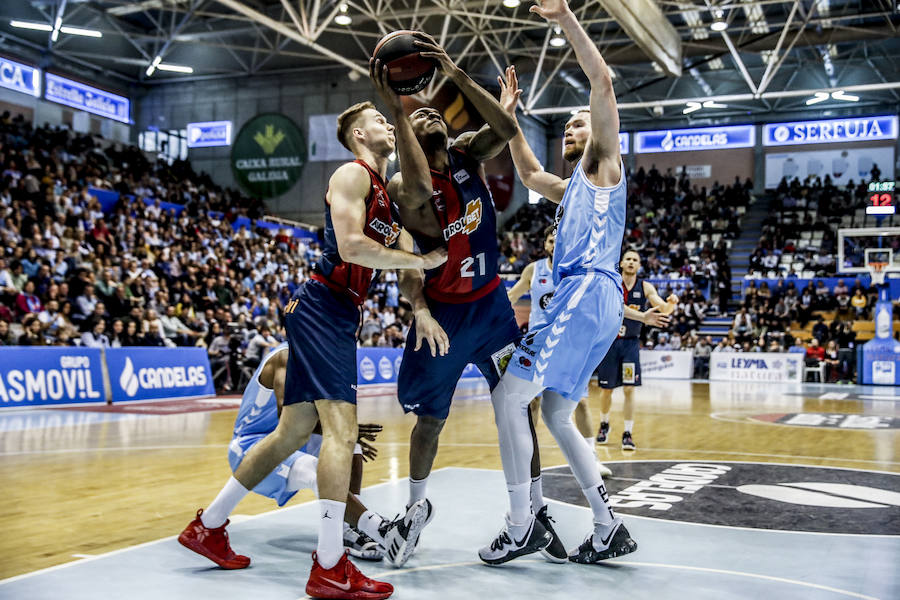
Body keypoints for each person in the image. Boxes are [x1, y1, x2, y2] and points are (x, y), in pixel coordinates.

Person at [178, 63, 447, 600]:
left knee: (291, 433)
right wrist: (419, 257)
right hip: (325, 306)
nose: (388, 125)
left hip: (333, 312)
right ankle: (329, 565)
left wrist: (418, 294)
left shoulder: (384, 193)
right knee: (341, 437)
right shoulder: (351, 175)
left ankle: (208, 526)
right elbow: (350, 247)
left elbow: (400, 242)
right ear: (358, 135)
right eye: (379, 120)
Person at [487, 0, 636, 565]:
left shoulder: (603, 164)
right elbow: (528, 172)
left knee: (509, 397)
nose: (572, 128)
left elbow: (602, 82)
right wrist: (509, 119)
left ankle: (520, 523)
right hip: (595, 300)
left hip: (585, 290)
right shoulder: (569, 185)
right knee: (553, 412)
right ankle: (607, 526)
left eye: (579, 121)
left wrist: (565, 17)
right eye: (567, 124)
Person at [385, 33, 538, 560]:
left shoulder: (467, 152)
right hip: (444, 318)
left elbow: (507, 129)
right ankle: (414, 509)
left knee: (519, 407)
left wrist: (453, 71)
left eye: (435, 112)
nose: (429, 112)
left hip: (492, 309)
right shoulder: (404, 186)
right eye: (419, 116)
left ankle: (531, 511)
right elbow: (415, 204)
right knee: (430, 421)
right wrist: (397, 108)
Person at [179, 344, 385, 568]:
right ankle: (380, 530)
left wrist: (346, 433)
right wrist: (341, 429)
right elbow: (287, 418)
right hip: (251, 446)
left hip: (290, 442)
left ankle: (349, 529)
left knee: (349, 446)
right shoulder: (287, 357)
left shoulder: (322, 359)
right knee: (318, 471)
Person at [595, 250, 677, 451]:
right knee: (606, 390)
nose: (631, 262)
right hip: (609, 343)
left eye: (635, 260)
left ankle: (627, 433)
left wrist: (671, 304)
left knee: (629, 389)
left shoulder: (645, 287)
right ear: (621, 263)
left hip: (630, 344)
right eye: (628, 259)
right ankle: (604, 423)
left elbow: (663, 309)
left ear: (639, 266)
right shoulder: (612, 284)